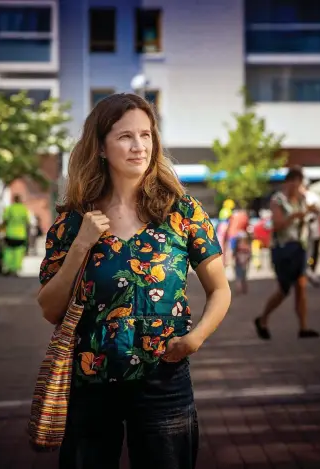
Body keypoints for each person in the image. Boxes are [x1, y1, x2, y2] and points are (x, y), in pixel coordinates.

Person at [37, 93, 231, 469]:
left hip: (163, 378)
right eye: (125, 136)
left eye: (146, 135)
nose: (139, 146)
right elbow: (49, 309)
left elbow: (219, 289)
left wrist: (196, 338)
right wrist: (81, 245)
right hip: (91, 381)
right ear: (101, 147)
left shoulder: (181, 211)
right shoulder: (73, 220)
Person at [254, 166, 320, 340]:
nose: (296, 187)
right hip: (283, 249)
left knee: (301, 287)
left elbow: (308, 217)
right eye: (293, 183)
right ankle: (263, 318)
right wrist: (294, 216)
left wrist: (311, 212)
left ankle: (303, 327)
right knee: (283, 289)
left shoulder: (302, 199)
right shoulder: (278, 200)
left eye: (299, 183)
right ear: (287, 182)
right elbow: (277, 225)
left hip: (299, 247)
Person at [2, 194, 29, 276]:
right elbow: (27, 222)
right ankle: (16, 268)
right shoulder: (24, 209)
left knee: (9, 250)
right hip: (21, 234)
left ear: (13, 200)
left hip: (10, 233)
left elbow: (4, 220)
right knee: (19, 251)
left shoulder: (9, 208)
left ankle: (8, 267)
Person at [303, 188, 320, 287]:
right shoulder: (301, 196)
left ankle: (310, 273)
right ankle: (308, 274)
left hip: (313, 231)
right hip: (305, 232)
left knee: (312, 254)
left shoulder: (313, 196)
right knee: (308, 254)